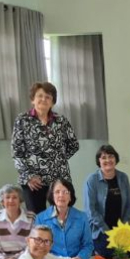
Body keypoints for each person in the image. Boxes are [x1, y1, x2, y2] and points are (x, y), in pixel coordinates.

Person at [11, 82, 80, 214]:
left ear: (52, 102)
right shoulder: (22, 120)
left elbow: (73, 144)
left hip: (59, 178)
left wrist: (58, 160)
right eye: (40, 96)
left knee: (62, 215)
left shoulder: (61, 121)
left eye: (48, 97)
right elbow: (17, 152)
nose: (43, 99)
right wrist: (29, 176)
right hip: (33, 181)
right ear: (33, 99)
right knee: (37, 219)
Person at [84, 144, 130, 258]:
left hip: (120, 229)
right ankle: (94, 248)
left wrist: (122, 228)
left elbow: (129, 205)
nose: (108, 160)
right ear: (99, 161)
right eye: (104, 157)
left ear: (115, 159)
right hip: (101, 230)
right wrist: (107, 231)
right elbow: (90, 211)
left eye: (111, 156)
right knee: (112, 254)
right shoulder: (92, 180)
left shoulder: (123, 177)